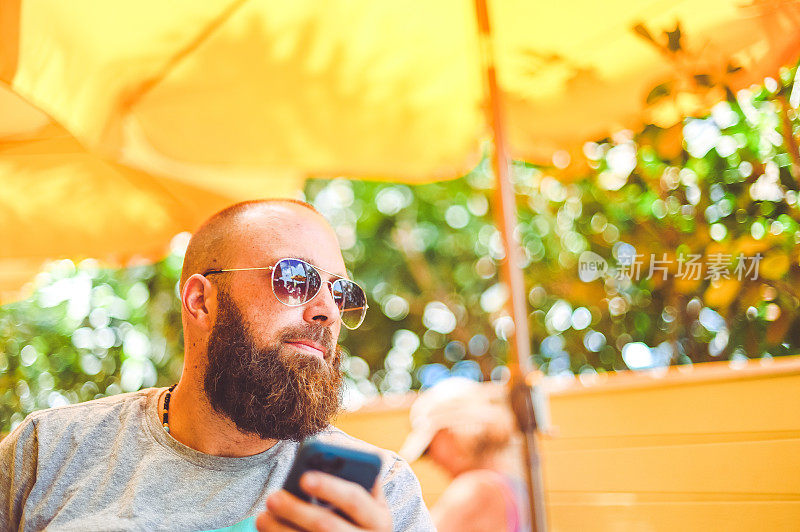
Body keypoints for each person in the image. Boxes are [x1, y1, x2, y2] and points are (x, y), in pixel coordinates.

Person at [0, 199, 434, 531]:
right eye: (295, 278)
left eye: (339, 292)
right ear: (200, 300)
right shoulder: (49, 450)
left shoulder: (379, 493)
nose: (327, 310)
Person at [399, 377, 530, 532]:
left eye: (428, 449)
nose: (432, 459)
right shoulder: (513, 483)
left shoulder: (474, 490)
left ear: (453, 433)